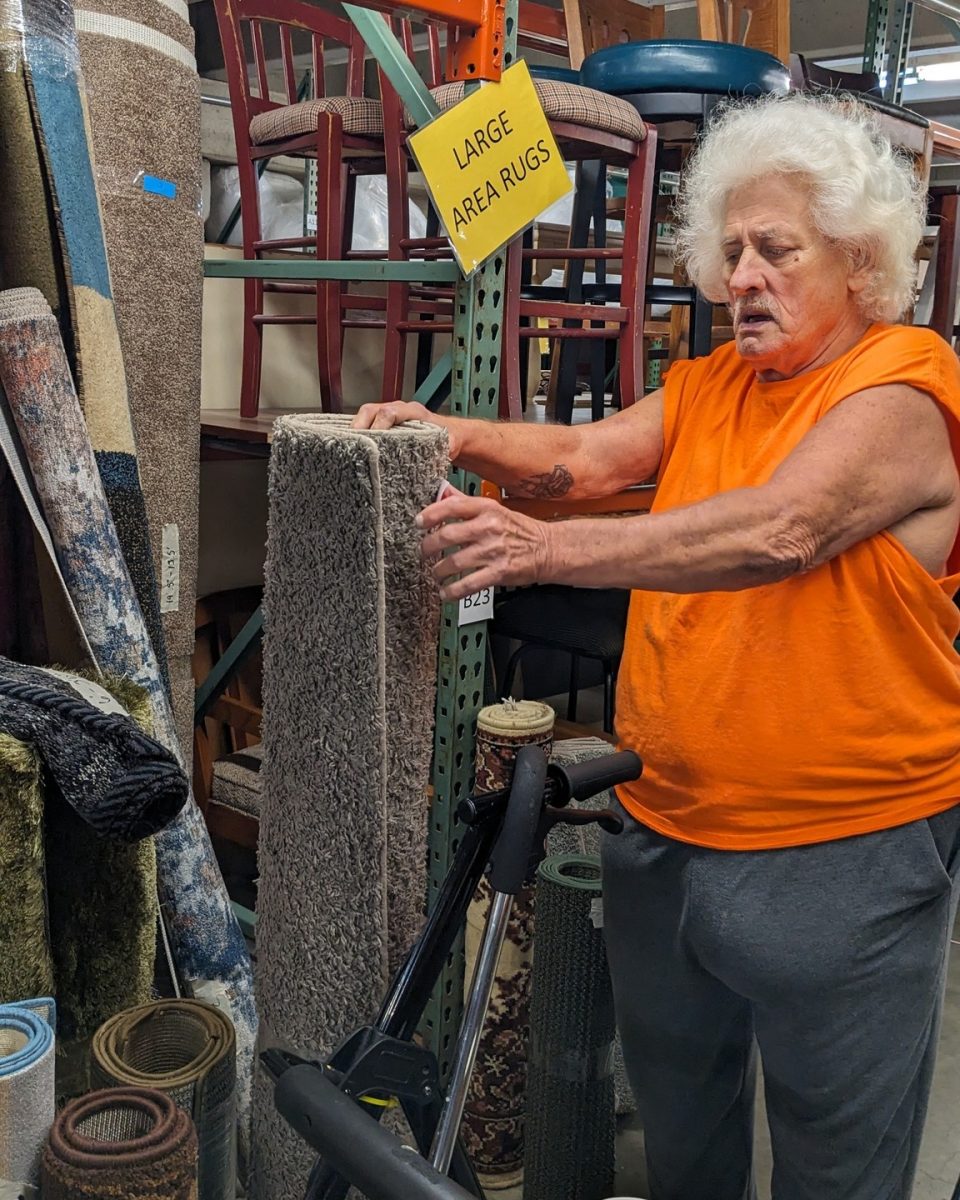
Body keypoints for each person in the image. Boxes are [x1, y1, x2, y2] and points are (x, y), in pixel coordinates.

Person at [353, 93, 960, 1200]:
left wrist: (541, 551)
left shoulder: (905, 386)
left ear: (861, 261)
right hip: (668, 828)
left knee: (839, 1162)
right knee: (684, 1137)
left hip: (841, 852)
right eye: (730, 251)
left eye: (777, 250)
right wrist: (452, 433)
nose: (743, 278)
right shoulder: (715, 382)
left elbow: (781, 527)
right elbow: (581, 461)